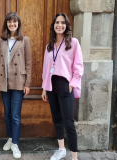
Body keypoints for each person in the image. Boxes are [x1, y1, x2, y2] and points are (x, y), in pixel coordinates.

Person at [41, 13, 84, 160]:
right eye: (57, 22)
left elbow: (78, 67)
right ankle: (61, 149)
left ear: (66, 26)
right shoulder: (49, 46)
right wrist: (44, 88)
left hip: (65, 85)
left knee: (69, 122)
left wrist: (72, 84)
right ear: (53, 25)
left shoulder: (73, 43)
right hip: (51, 86)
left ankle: (74, 157)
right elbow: (46, 68)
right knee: (57, 119)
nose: (60, 25)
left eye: (63, 23)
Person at [0, 12, 32, 159]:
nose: (12, 24)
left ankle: (15, 143)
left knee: (15, 116)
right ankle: (10, 139)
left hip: (18, 81)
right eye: (9, 22)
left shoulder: (25, 40)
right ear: (6, 24)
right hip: (4, 81)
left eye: (14, 22)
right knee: (7, 114)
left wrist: (27, 83)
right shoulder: (1, 40)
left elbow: (28, 63)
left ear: (18, 24)